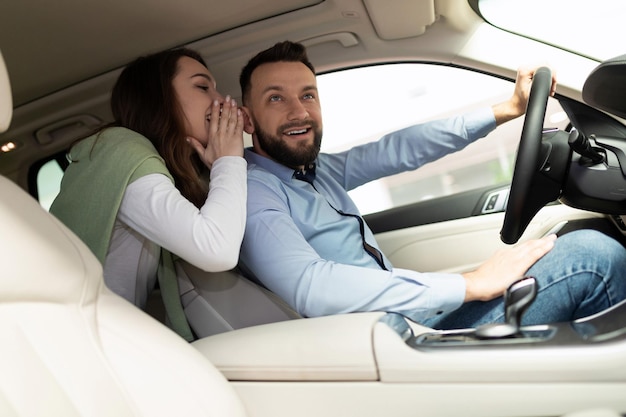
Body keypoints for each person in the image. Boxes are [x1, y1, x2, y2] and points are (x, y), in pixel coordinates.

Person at [237, 40, 626, 329]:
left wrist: (507, 109)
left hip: (417, 319)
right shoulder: (256, 191)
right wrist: (468, 284)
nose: (300, 111)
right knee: (592, 257)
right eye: (276, 99)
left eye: (308, 95)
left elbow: (400, 149)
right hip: (401, 342)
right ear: (248, 119)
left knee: (568, 238)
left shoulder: (316, 171)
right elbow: (309, 284)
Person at [50, 48, 246, 339]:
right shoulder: (122, 152)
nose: (219, 100)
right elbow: (217, 249)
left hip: (98, 337)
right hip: (76, 341)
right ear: (159, 97)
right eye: (203, 87)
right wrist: (229, 160)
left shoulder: (152, 164)